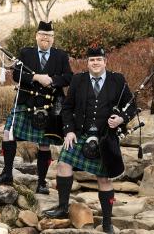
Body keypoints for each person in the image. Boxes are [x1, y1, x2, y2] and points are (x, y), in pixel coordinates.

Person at [44, 47, 136, 234]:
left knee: (103, 178)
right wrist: (69, 131)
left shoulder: (117, 80)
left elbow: (132, 105)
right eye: (92, 60)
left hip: (105, 137)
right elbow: (68, 108)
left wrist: (121, 119)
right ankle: (62, 207)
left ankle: (108, 222)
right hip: (80, 133)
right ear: (88, 63)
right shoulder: (78, 79)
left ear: (105, 61)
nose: (95, 63)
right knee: (63, 164)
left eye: (99, 59)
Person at [0, 21, 72, 195]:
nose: (46, 38)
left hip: (48, 105)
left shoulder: (61, 56)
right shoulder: (26, 53)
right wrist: (35, 77)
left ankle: (42, 182)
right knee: (8, 134)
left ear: (53, 38)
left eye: (49, 36)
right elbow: (17, 74)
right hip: (26, 101)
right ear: (36, 36)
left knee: (44, 144)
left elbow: (69, 77)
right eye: (42, 34)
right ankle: (7, 173)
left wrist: (52, 80)